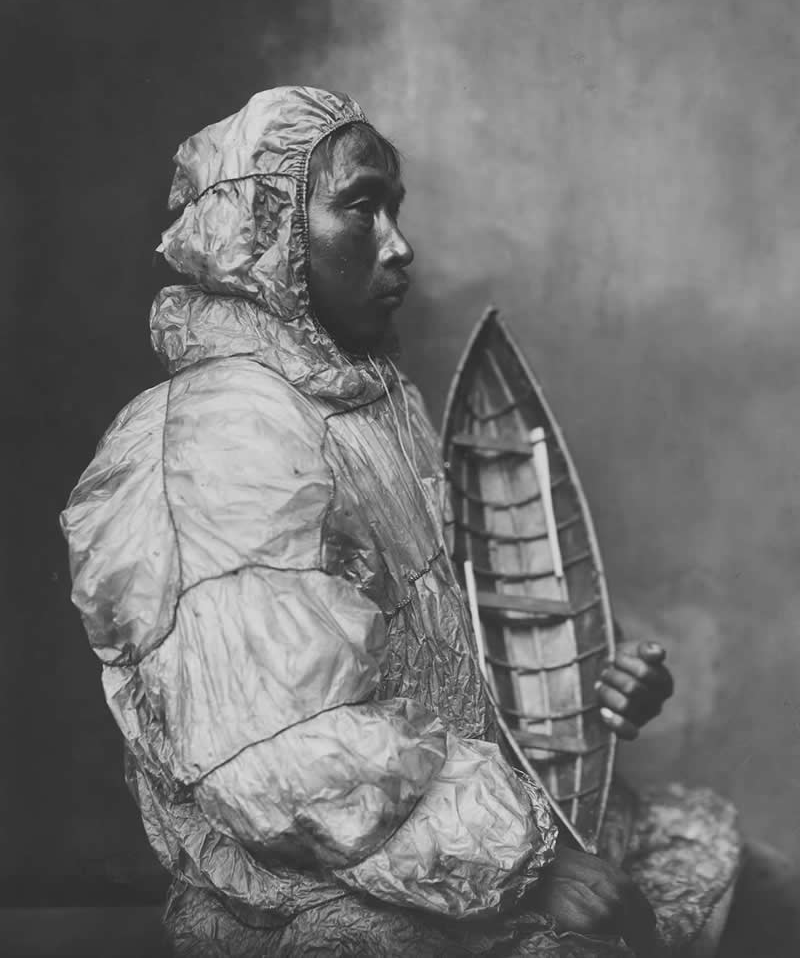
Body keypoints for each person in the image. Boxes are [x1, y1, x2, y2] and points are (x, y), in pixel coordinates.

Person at [61, 86, 740, 957]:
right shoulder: (220, 435)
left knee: (742, 872)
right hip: (312, 902)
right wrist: (527, 865)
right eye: (359, 207)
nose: (400, 246)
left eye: (395, 207)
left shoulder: (370, 401)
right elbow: (284, 758)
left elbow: (439, 651)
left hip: (428, 844)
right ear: (266, 233)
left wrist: (589, 689)